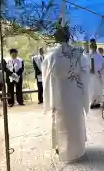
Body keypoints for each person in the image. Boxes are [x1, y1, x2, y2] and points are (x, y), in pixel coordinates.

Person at [42, 23, 90, 163]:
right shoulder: (78, 54)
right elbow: (85, 73)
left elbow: (47, 79)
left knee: (62, 122)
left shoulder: (51, 56)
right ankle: (77, 149)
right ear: (69, 36)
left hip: (60, 94)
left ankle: (61, 148)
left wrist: (50, 99)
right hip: (74, 92)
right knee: (75, 119)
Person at [89, 39, 104, 109]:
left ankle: (96, 102)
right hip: (91, 76)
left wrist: (100, 72)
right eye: (92, 45)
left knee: (97, 89)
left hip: (97, 75)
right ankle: (93, 102)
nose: (93, 46)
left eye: (94, 45)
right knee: (92, 89)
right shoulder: (88, 55)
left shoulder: (100, 56)